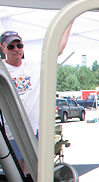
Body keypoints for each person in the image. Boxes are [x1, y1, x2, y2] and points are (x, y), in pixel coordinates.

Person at [0, 25, 72, 171]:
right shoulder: (2, 69)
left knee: (36, 171)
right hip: (10, 133)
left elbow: (57, 49)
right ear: (3, 48)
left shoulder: (33, 65)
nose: (16, 49)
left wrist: (71, 19)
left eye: (19, 45)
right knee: (17, 173)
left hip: (33, 131)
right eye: (11, 46)